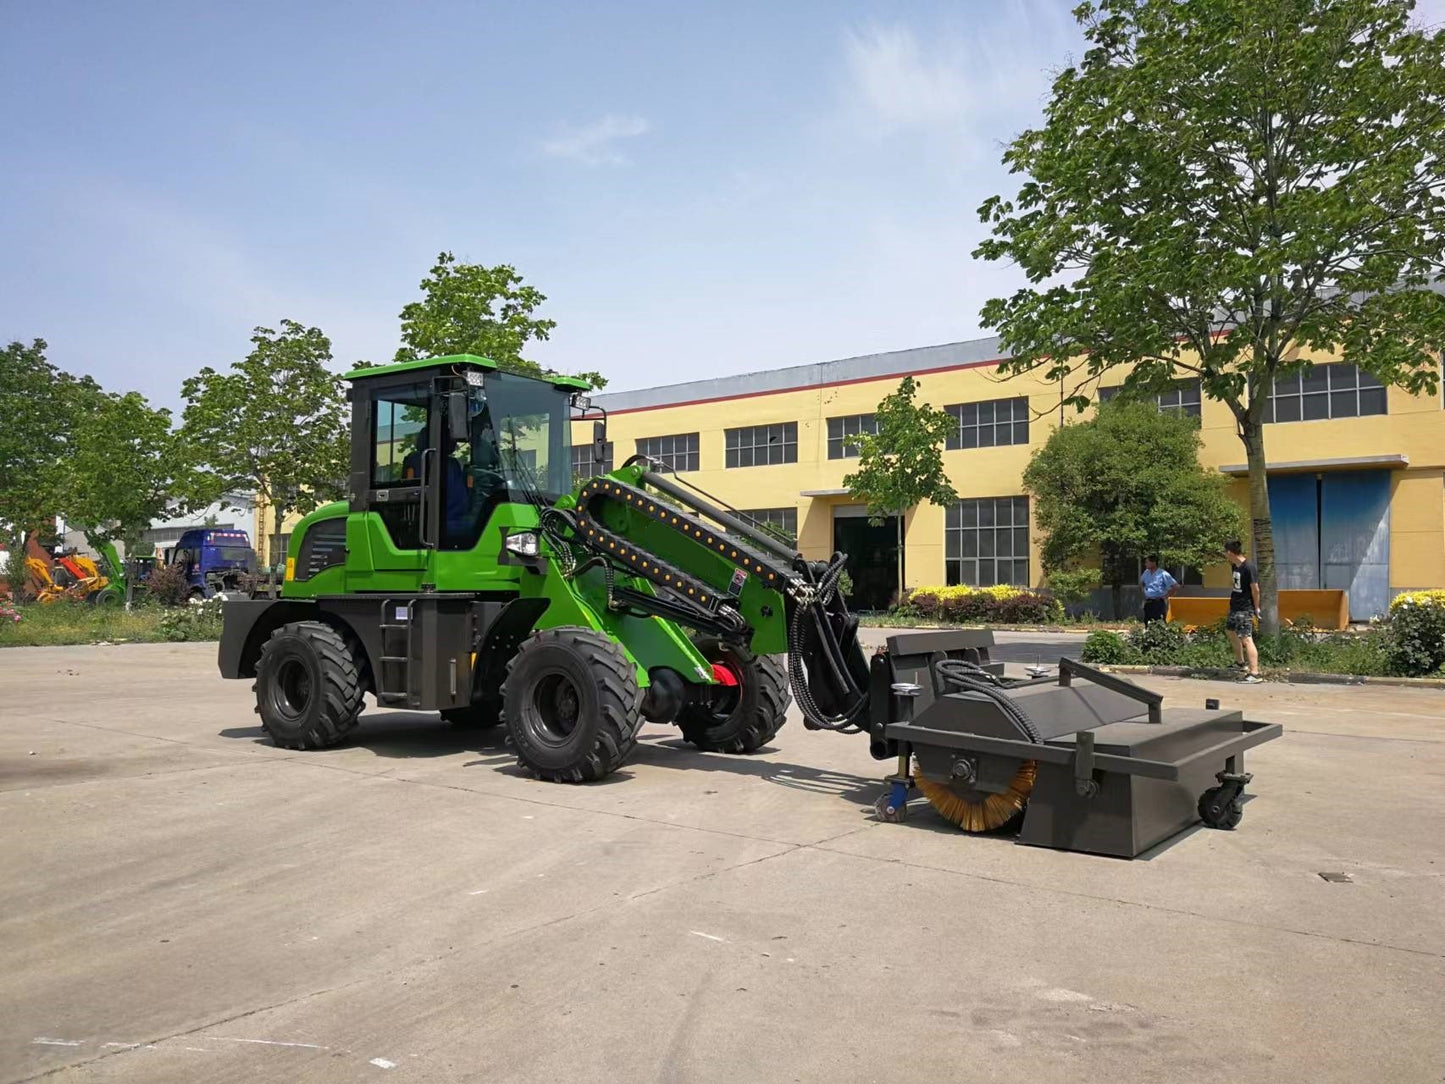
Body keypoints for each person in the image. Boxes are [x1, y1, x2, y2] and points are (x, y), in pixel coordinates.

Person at [1224, 540, 1263, 683]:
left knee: (1246, 638)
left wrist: (1256, 607)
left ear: (1230, 552)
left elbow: (1256, 589)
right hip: (1235, 605)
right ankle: (1240, 663)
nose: (1225, 555)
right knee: (1230, 631)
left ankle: (1254, 673)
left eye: (1225, 552)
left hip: (1245, 607)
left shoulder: (1249, 567)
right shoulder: (1235, 566)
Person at [1139, 555, 1177, 623]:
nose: (1145, 564)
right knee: (1147, 622)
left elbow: (1175, 586)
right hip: (1148, 602)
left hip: (1158, 602)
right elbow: (1141, 582)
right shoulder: (1146, 572)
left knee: (1159, 623)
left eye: (1147, 562)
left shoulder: (1163, 574)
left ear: (1153, 563)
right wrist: (1144, 591)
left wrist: (1166, 596)